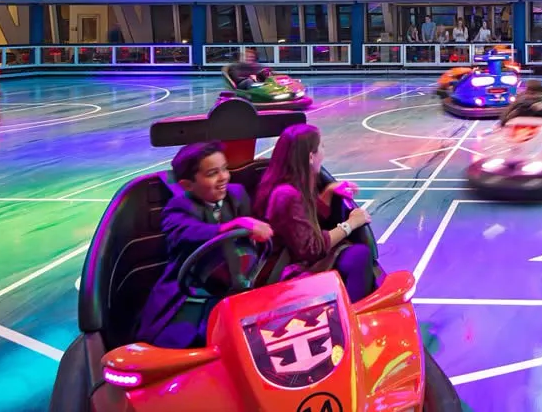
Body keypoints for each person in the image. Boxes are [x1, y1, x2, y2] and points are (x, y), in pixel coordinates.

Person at [133, 143, 275, 349]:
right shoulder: (178, 208)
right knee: (179, 341)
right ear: (187, 185)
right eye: (212, 173)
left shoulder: (237, 194)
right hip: (191, 290)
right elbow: (188, 231)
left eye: (225, 169)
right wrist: (233, 225)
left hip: (237, 283)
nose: (224, 177)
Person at [256, 124, 379, 301]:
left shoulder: (290, 183)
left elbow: (301, 221)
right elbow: (311, 248)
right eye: (321, 146)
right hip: (287, 271)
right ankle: (353, 316)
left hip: (294, 257)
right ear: (310, 157)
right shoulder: (287, 195)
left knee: (353, 254)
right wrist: (351, 224)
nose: (324, 151)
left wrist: (328, 192)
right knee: (359, 256)